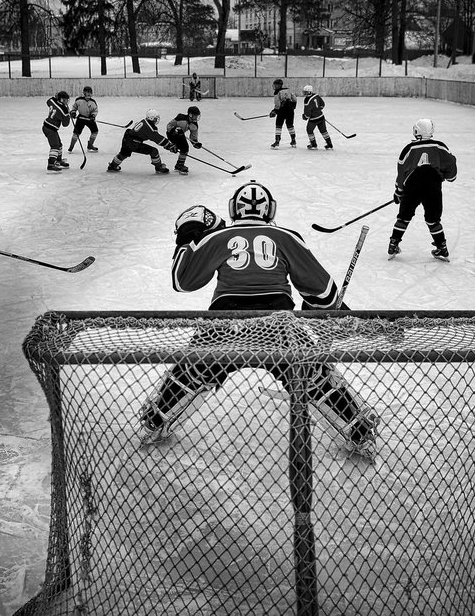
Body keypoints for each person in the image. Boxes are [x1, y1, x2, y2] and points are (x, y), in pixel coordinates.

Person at [138, 182, 379, 456]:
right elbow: (322, 292)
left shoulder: (219, 237)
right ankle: (357, 430)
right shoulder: (286, 236)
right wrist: (326, 308)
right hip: (278, 323)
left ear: (233, 209)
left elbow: (182, 282)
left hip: (224, 321)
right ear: (270, 210)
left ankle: (155, 421)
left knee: (192, 371)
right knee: (312, 374)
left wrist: (186, 239)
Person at [386, 118, 458, 262]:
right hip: (433, 187)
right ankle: (441, 248)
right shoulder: (440, 146)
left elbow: (401, 172)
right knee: (433, 219)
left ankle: (393, 244)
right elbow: (451, 165)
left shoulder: (408, 149)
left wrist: (399, 191)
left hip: (412, 187)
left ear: (416, 131)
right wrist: (448, 176)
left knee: (404, 217)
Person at [107, 109, 179, 174]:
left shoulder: (144, 121)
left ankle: (113, 166)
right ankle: (159, 167)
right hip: (134, 142)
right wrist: (169, 145)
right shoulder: (149, 128)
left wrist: (167, 145)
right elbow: (158, 139)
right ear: (151, 118)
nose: (156, 120)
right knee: (154, 151)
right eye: (155, 119)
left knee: (124, 153)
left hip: (127, 138)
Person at [165, 105, 202, 175]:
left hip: (181, 135)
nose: (196, 117)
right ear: (190, 115)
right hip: (171, 134)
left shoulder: (194, 125)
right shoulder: (180, 118)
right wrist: (174, 131)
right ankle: (179, 164)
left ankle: (179, 164)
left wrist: (195, 143)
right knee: (184, 146)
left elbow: (193, 137)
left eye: (197, 116)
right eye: (195, 116)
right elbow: (169, 125)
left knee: (185, 148)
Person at [43, 90, 72, 171]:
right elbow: (65, 124)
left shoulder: (52, 101)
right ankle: (51, 164)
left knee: (59, 145)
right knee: (55, 146)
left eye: (67, 100)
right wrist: (68, 116)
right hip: (50, 128)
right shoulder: (64, 109)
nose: (66, 102)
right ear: (61, 99)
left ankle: (58, 160)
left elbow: (48, 101)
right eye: (65, 100)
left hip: (47, 126)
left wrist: (56, 98)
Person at [66, 85, 99, 154]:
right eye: (87, 92)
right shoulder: (79, 100)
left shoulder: (93, 102)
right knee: (76, 133)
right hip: (80, 118)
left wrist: (93, 116)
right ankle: (71, 147)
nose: (89, 94)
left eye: (90, 93)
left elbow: (95, 110)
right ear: (84, 93)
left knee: (95, 131)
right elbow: (74, 107)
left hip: (89, 119)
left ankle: (90, 145)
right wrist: (73, 112)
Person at [300, 84, 333, 150]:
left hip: (313, 119)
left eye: (305, 92)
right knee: (323, 131)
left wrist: (305, 116)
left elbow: (307, 112)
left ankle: (313, 145)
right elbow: (322, 104)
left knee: (309, 130)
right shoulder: (316, 95)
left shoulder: (307, 100)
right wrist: (318, 111)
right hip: (321, 117)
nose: (304, 93)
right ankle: (329, 144)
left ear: (309, 92)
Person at [268, 78, 298, 148]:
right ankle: (293, 140)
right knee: (290, 125)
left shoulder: (277, 92)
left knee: (278, 125)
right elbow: (294, 99)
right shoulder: (288, 90)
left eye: (276, 85)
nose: (275, 86)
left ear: (279, 85)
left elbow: (277, 103)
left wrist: (275, 111)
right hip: (290, 110)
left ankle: (277, 141)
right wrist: (293, 106)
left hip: (282, 110)